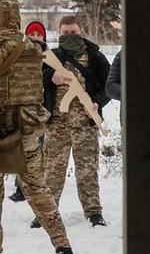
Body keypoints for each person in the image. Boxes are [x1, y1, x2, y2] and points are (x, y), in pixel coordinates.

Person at [0, 0, 80, 254]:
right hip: (27, 130)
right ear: (15, 16)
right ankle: (64, 250)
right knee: (39, 191)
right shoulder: (33, 47)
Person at [43, 15, 112, 227]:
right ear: (59, 32)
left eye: (73, 32)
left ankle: (93, 212)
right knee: (52, 172)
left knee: (87, 170)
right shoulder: (50, 57)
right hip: (57, 126)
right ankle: (46, 213)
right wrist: (49, 77)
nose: (69, 36)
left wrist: (97, 104)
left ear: (80, 31)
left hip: (85, 125)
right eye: (65, 33)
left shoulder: (95, 57)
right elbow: (34, 81)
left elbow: (108, 86)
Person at [9, 21, 48, 203]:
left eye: (38, 35)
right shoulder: (20, 55)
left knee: (39, 151)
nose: (35, 38)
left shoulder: (49, 58)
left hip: (41, 111)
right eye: (31, 34)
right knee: (21, 149)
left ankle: (38, 186)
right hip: (21, 110)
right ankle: (20, 188)